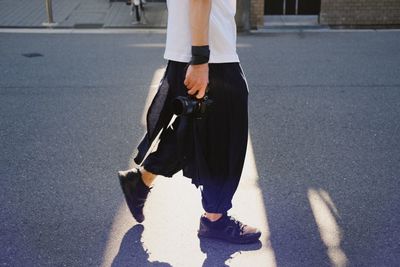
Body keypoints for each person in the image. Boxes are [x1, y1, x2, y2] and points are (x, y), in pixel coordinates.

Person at [118, 0, 261, 244]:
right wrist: (200, 59)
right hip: (209, 53)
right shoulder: (205, 57)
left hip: (198, 48)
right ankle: (215, 218)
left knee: (195, 125)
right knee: (227, 132)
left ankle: (141, 181)